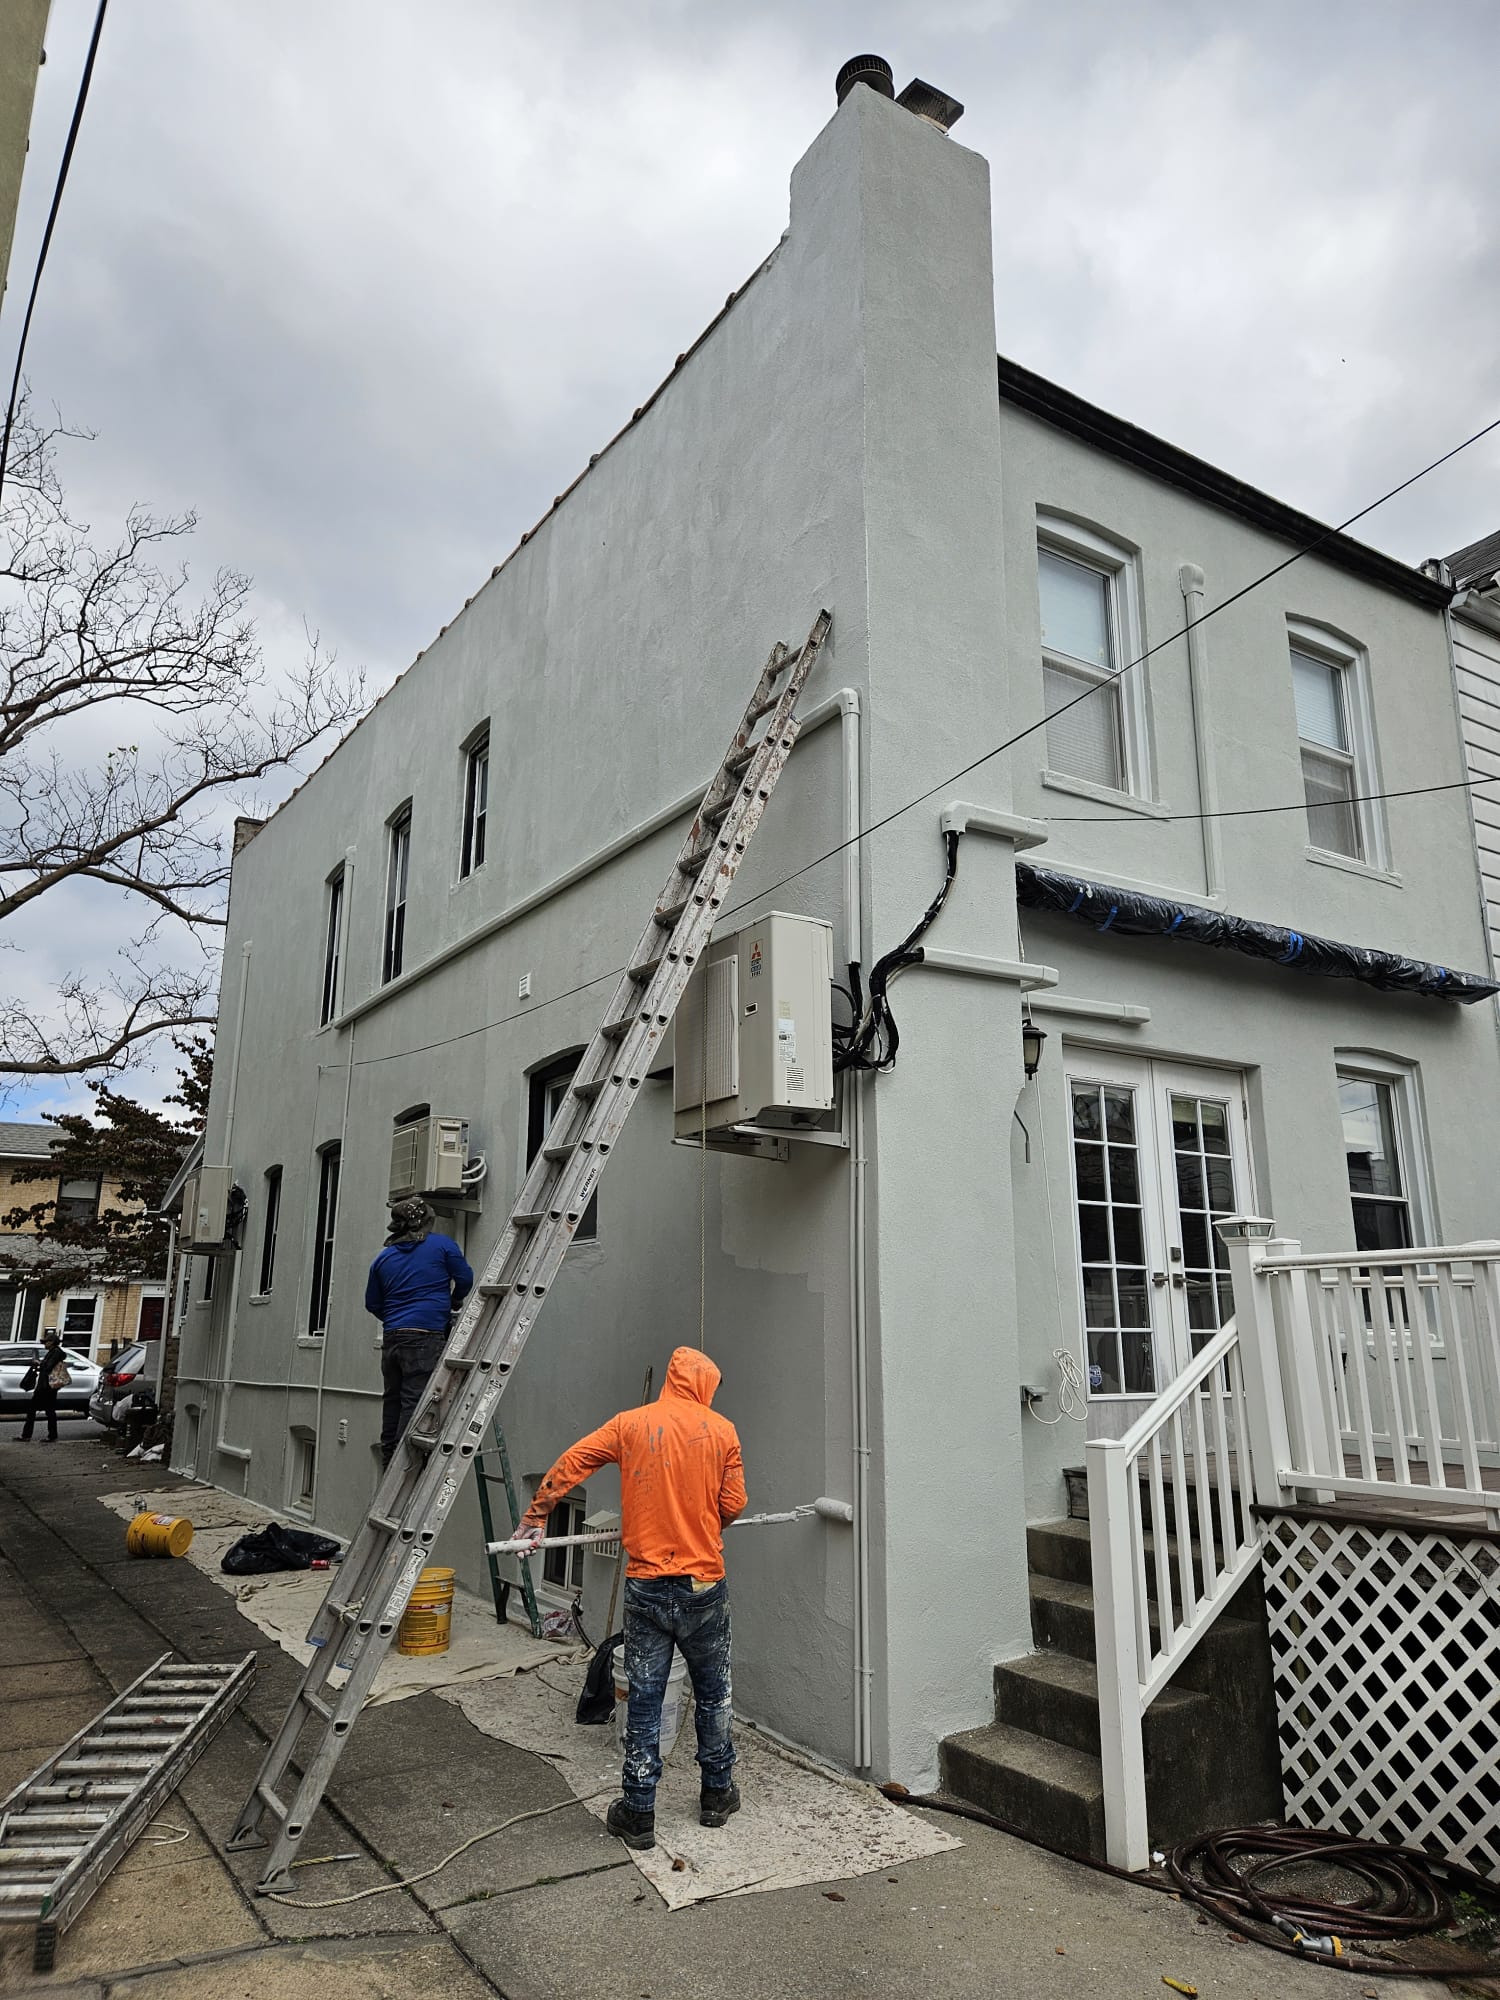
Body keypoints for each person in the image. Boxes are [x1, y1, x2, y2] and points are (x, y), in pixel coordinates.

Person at [514, 1346, 746, 1851]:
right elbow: (733, 1504)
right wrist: (704, 1527)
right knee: (713, 1693)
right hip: (704, 1584)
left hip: (646, 1587)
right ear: (704, 1385)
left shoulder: (630, 1424)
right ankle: (717, 1795)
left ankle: (638, 1811)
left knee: (644, 1696)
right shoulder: (723, 1431)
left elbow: (574, 1461)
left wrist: (536, 1516)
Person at [364, 1197, 474, 1467]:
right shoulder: (442, 1246)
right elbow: (465, 1279)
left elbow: (372, 1304)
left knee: (393, 1399)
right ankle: (403, 1465)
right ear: (425, 1221)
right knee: (415, 1400)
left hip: (392, 1338)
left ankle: (389, 1456)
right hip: (425, 1335)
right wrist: (454, 1301)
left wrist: (395, 1319)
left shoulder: (383, 1258)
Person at [16, 1329, 69, 1443]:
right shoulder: (54, 1352)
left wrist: (40, 1363)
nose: (44, 1344)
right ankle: (51, 1435)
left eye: (46, 1342)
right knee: (48, 1411)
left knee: (35, 1410)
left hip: (46, 1387)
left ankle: (29, 1435)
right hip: (47, 1386)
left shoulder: (56, 1353)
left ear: (52, 1342)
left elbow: (48, 1367)